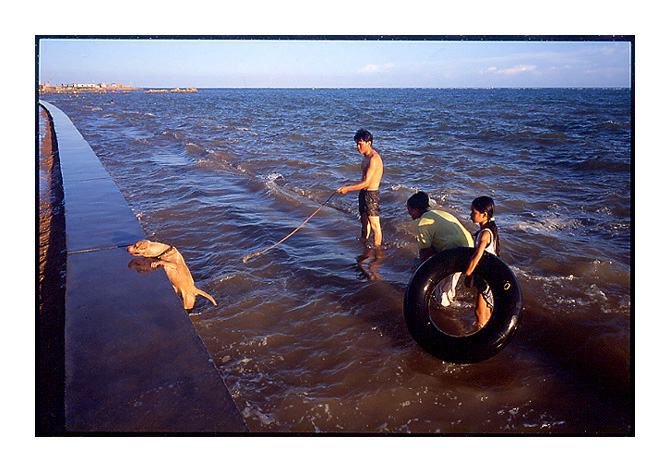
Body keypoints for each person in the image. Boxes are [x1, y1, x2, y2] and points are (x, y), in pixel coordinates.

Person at [406, 191, 473, 306]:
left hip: (455, 252)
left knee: (442, 293)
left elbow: (426, 252)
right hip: (469, 247)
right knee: (450, 284)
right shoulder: (438, 213)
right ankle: (455, 303)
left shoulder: (422, 223)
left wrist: (419, 268)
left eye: (410, 209)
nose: (409, 213)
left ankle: (447, 314)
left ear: (417, 209)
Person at [337, 129, 384, 247]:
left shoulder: (374, 159)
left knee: (375, 226)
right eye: (357, 144)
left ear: (369, 143)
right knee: (364, 223)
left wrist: (348, 188)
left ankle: (377, 251)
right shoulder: (365, 157)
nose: (358, 147)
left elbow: (367, 183)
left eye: (360, 144)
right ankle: (364, 246)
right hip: (363, 193)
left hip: (371, 194)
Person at [464, 196, 500, 328]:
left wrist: (468, 273)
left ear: (484, 215)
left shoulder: (485, 234)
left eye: (474, 212)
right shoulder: (487, 229)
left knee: (480, 312)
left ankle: (482, 335)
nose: (471, 214)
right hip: (487, 274)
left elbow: (478, 255)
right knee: (484, 310)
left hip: (488, 276)